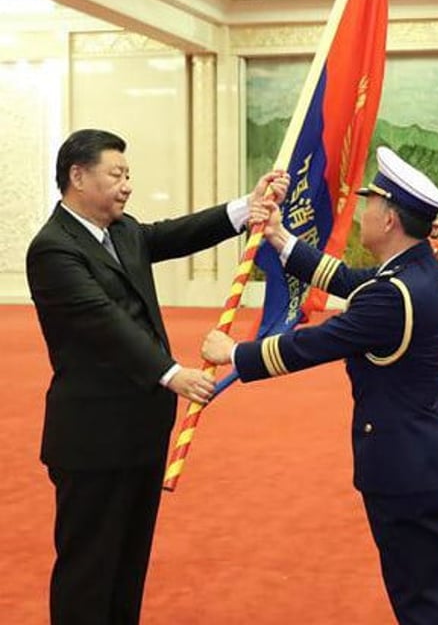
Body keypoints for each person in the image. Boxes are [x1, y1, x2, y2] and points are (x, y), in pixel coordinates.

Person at [26, 128, 287, 625]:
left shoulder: (122, 230)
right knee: (89, 567)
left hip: (142, 430)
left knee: (128, 564)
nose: (126, 186)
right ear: (77, 177)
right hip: (93, 438)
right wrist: (171, 373)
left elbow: (174, 233)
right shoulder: (54, 248)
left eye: (128, 175)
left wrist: (244, 208)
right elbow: (104, 321)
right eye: (116, 174)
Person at [202, 147, 438, 625]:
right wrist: (282, 239)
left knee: (423, 602)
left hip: (406, 470)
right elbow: (348, 280)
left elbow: (316, 344)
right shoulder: (414, 269)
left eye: (369, 205)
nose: (364, 214)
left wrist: (234, 354)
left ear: (388, 220)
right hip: (425, 459)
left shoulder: (394, 293)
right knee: (426, 592)